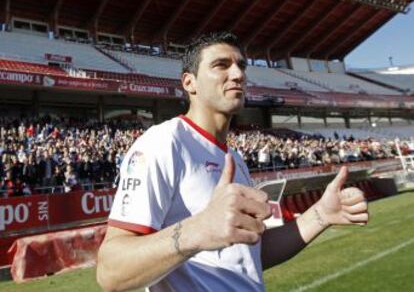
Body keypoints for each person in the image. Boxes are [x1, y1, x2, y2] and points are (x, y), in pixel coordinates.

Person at [97, 32, 368, 292]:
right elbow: (111, 272)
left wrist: (320, 215)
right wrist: (197, 230)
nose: (238, 74)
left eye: (241, 65)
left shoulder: (234, 159)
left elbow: (250, 255)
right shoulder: (164, 142)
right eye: (221, 65)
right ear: (189, 82)